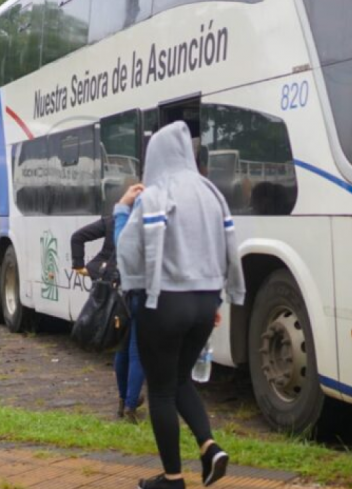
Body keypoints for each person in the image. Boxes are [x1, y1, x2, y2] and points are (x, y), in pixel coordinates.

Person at [117, 122, 246, 489]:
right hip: (206, 303)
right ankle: (209, 447)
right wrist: (221, 295)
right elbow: (227, 246)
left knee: (159, 389)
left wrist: (121, 211)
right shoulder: (210, 193)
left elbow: (128, 250)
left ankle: (172, 479)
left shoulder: (156, 192)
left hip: (165, 302)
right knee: (179, 379)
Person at [70, 211, 146, 422]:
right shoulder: (149, 222)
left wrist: (80, 267)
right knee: (137, 351)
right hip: (140, 291)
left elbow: (77, 236)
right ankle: (131, 404)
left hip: (115, 294)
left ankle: (124, 401)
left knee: (122, 347)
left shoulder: (114, 221)